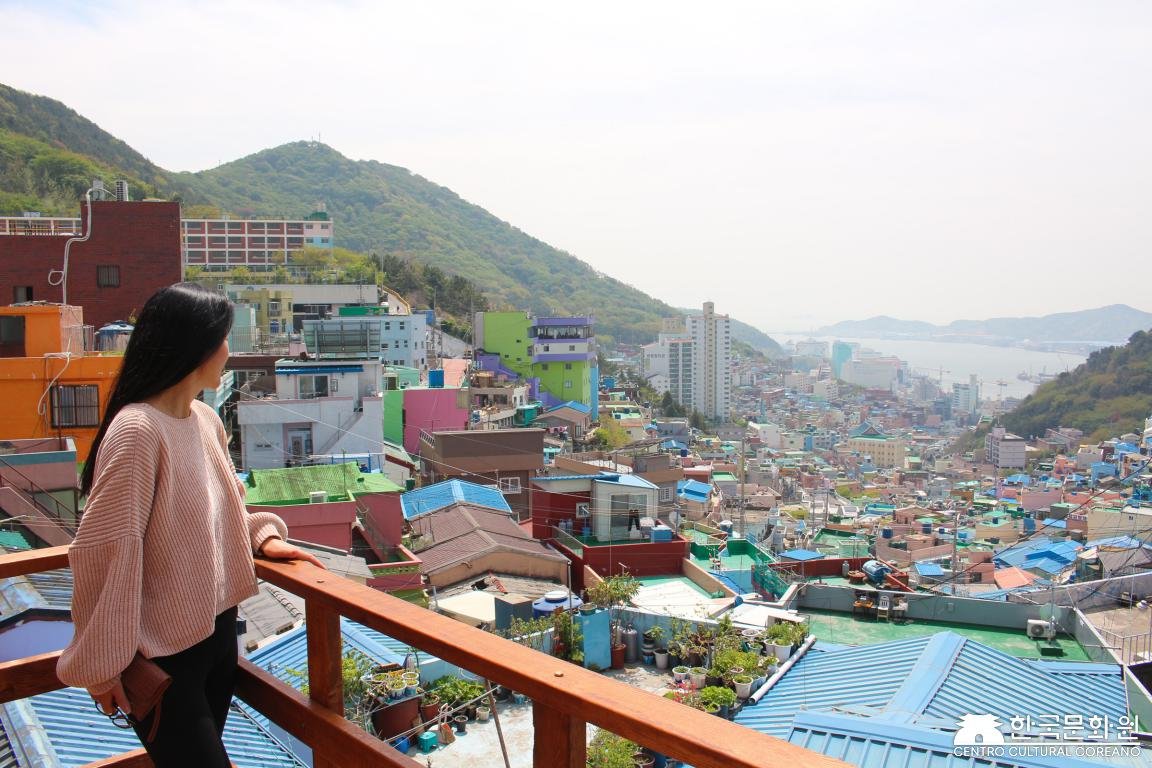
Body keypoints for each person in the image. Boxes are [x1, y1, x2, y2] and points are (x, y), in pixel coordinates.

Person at [56, 283, 324, 767]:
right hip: (163, 654)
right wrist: (101, 668)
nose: (228, 351)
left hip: (218, 635)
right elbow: (104, 551)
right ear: (195, 347)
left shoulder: (204, 418)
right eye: (222, 339)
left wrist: (261, 537)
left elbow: (221, 506)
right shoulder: (138, 430)